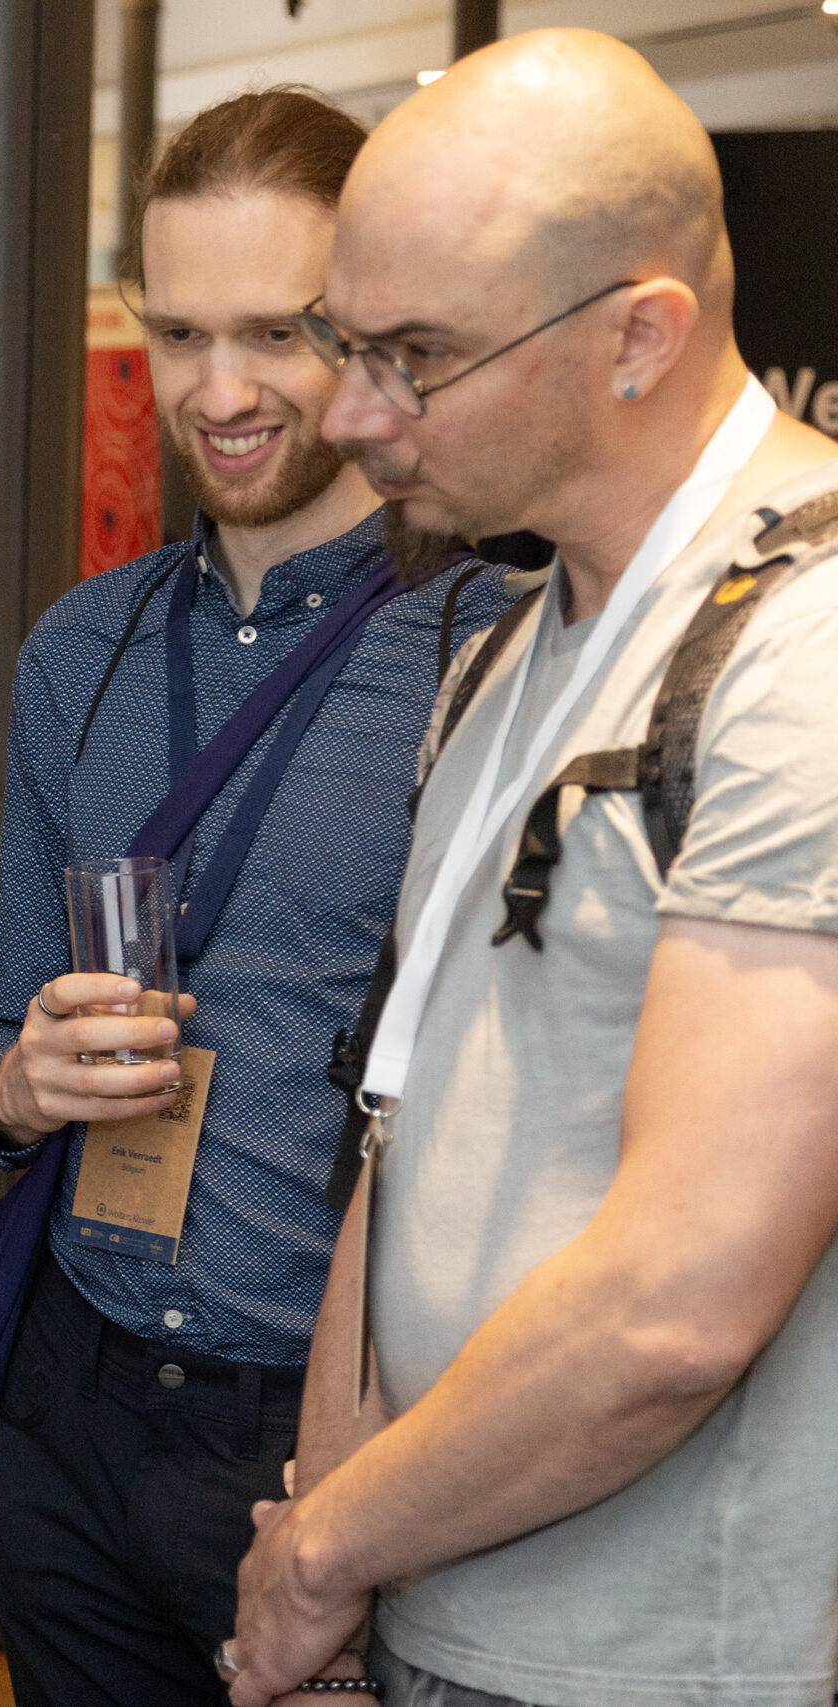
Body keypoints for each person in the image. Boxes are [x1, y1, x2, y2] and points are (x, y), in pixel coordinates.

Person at [223, 33, 838, 1707]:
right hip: (434, 1605)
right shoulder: (514, 640)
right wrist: (331, 1554)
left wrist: (327, 1552)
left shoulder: (800, 651)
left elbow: (678, 1302)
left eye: (418, 357)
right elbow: (397, 1130)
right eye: (348, 341)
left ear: (641, 334)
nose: (353, 414)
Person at [0, 89, 513, 1707]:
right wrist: (19, 1078)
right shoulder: (84, 650)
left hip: (335, 1429)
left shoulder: (491, 648)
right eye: (181, 333)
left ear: (378, 325)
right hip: (74, 1393)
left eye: (281, 331)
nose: (222, 389)